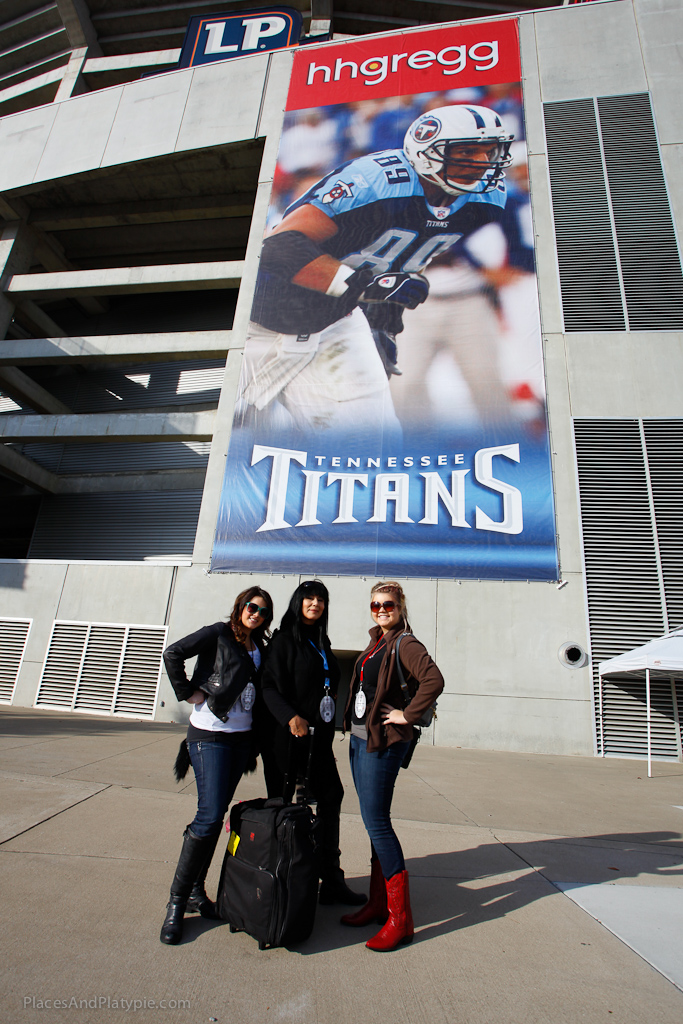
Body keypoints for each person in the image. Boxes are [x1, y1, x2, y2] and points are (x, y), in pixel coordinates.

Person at [238, 104, 513, 432]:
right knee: (233, 431)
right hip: (261, 315)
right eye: (468, 151)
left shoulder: (487, 199)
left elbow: (399, 260)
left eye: (489, 152)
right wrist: (366, 286)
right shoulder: (376, 180)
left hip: (334, 319)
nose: (481, 164)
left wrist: (382, 321)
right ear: (427, 152)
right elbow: (278, 249)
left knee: (371, 439)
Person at [159, 586, 274, 945]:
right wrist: (188, 691)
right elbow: (173, 652)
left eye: (262, 611)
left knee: (214, 815)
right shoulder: (219, 632)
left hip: (241, 739)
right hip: (210, 734)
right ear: (240, 606)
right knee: (208, 818)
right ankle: (177, 902)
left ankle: (196, 892)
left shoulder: (261, 649)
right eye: (251, 606)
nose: (255, 613)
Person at [342, 581, 444, 951]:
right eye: (375, 605)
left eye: (387, 604)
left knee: (378, 824)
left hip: (381, 744)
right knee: (373, 822)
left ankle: (401, 920)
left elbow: (434, 680)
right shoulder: (377, 640)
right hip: (359, 740)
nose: (381, 609)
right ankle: (377, 902)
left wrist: (407, 715)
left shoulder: (406, 642)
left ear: (400, 606)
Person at [261, 579, 366, 906]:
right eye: (309, 598)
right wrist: (291, 717)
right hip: (286, 739)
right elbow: (268, 687)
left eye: (321, 599)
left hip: (318, 741)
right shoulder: (283, 641)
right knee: (283, 805)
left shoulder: (322, 641)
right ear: (298, 602)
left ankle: (330, 879)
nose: (315, 603)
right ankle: (278, 878)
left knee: (332, 795)